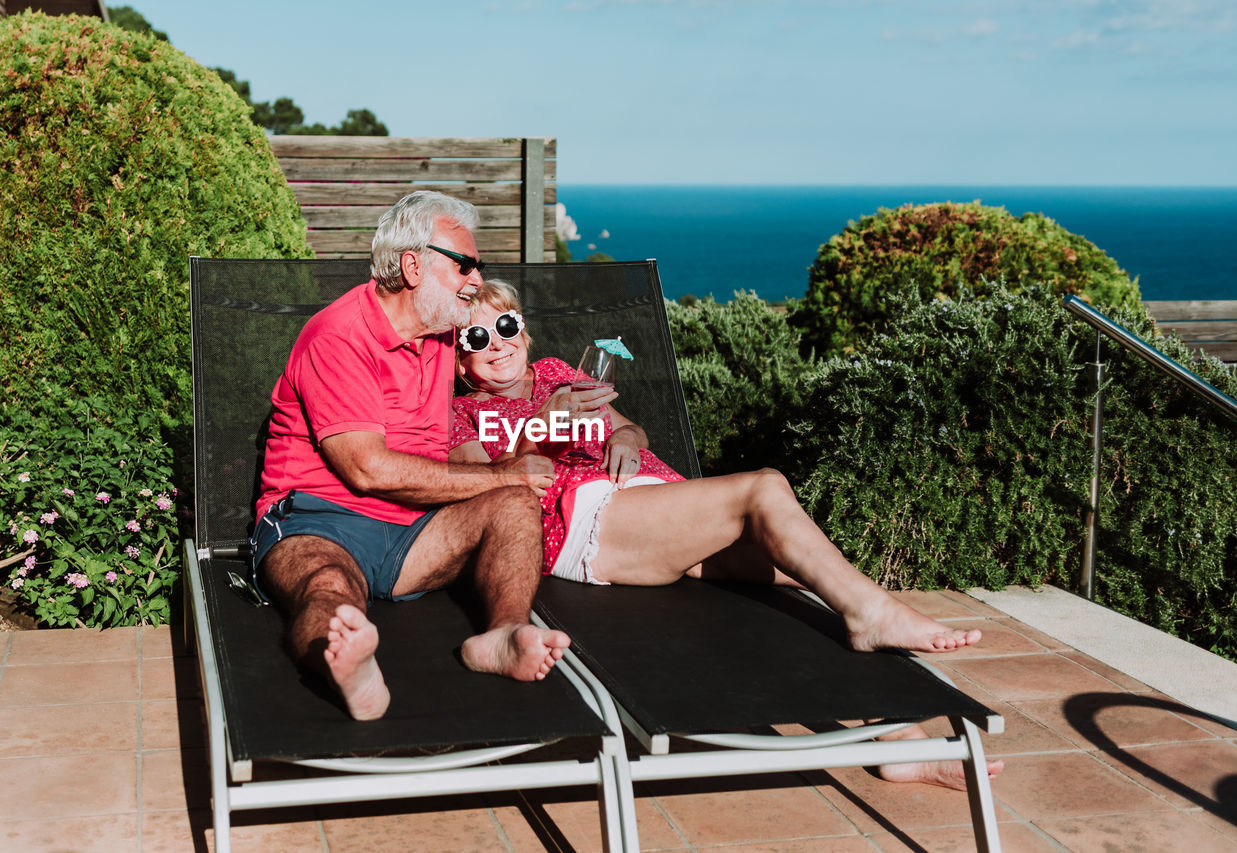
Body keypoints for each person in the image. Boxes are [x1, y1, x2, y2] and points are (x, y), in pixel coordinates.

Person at [449, 279, 1004, 789]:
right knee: (764, 488)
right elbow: (484, 488)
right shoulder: (459, 413)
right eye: (476, 337)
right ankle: (875, 615)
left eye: (505, 326)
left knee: (804, 579)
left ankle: (898, 738)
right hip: (586, 519)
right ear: (459, 360)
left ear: (524, 330)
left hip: (650, 501)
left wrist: (625, 440)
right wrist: (542, 427)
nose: (496, 343)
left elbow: (628, 428)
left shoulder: (557, 371)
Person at [250, 192, 569, 722]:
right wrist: (497, 474)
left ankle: (504, 633)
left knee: (514, 502)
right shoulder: (339, 336)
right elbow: (368, 470)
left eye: (479, 267)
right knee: (327, 586)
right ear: (412, 265)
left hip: (414, 532)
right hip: (319, 518)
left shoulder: (445, 333)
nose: (475, 279)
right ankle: (350, 665)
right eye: (464, 265)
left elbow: (507, 367)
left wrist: (557, 408)